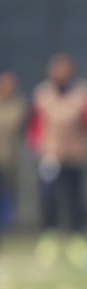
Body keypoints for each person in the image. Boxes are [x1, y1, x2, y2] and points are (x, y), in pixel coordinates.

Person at [26, 53, 87, 266]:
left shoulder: (84, 93)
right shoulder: (43, 94)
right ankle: (49, 239)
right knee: (49, 200)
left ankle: (77, 240)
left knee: (76, 200)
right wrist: (38, 147)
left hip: (76, 156)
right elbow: (34, 125)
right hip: (50, 157)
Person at [0, 71, 27, 238]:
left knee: (6, 194)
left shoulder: (18, 104)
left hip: (9, 159)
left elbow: (15, 123)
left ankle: (6, 228)